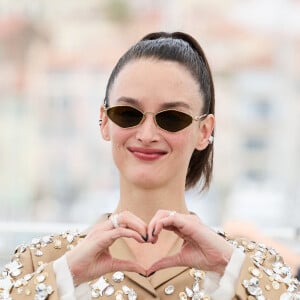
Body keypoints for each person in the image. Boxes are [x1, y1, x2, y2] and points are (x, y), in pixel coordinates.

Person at [1, 31, 299, 300]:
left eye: (172, 118)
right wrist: (64, 276)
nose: (146, 134)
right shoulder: (39, 263)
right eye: (128, 113)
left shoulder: (254, 268)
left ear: (205, 131)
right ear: (104, 121)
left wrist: (230, 267)